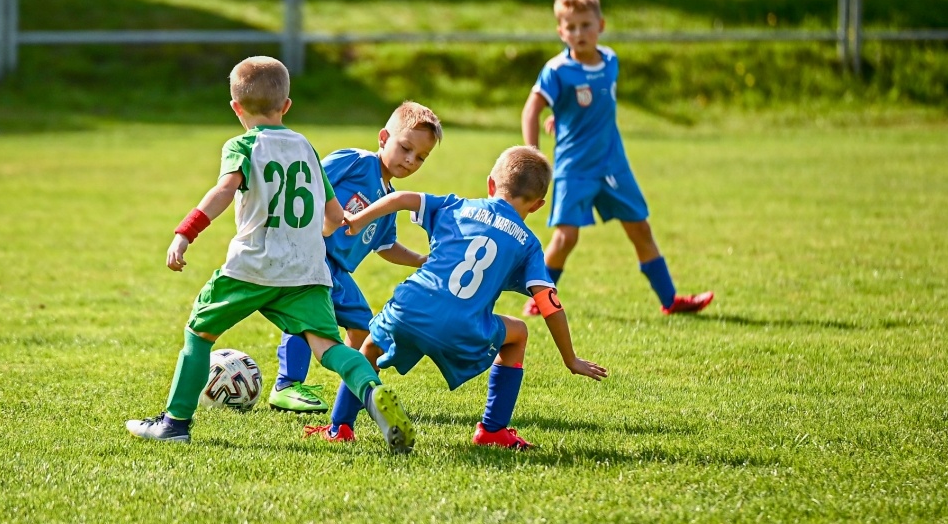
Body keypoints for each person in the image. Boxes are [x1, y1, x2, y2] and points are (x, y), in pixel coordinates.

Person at [125, 56, 415, 453]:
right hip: (308, 269)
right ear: (287, 106)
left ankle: (174, 423)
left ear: (236, 108)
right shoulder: (306, 148)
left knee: (199, 333)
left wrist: (184, 233)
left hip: (253, 265)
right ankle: (371, 391)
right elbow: (332, 219)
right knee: (328, 347)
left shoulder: (241, 145)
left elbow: (224, 191)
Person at [316, 146, 606, 450]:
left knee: (370, 347)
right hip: (463, 328)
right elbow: (548, 303)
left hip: (409, 308)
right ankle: (493, 430)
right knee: (518, 332)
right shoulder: (529, 244)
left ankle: (341, 427)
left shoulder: (456, 206)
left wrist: (359, 219)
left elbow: (401, 199)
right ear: (537, 206)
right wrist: (569, 358)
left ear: (491, 184)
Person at [521, 0, 713, 316]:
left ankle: (671, 300)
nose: (579, 33)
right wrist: (532, 154)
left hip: (613, 165)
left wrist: (564, 113)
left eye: (585, 24)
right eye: (571, 27)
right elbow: (531, 109)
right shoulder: (557, 69)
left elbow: (594, 98)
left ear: (601, 25)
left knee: (640, 228)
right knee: (566, 239)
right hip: (574, 167)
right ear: (560, 31)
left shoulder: (610, 61)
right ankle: (539, 302)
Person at [267, 102, 441, 429]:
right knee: (305, 316)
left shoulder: (390, 199)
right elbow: (308, 183)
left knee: (364, 330)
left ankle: (353, 392)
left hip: (338, 271)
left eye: (420, 157)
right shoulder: (354, 162)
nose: (410, 160)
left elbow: (385, 246)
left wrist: (419, 259)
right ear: (383, 138)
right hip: (308, 254)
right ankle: (286, 385)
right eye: (405, 148)